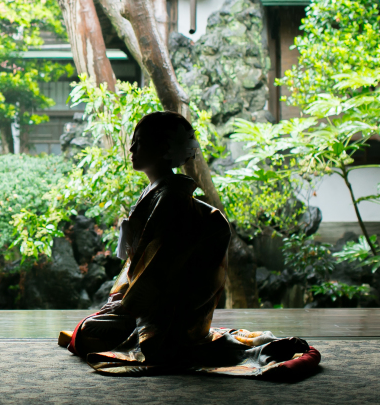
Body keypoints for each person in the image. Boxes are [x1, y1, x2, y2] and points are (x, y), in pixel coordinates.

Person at [59, 111, 320, 379]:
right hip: (152, 303)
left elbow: (159, 265)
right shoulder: (160, 192)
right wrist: (120, 298)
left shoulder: (171, 198)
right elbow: (137, 263)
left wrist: (127, 306)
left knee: (93, 333)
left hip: (170, 312)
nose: (131, 148)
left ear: (163, 149)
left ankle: (253, 351)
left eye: (140, 141)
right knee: (93, 327)